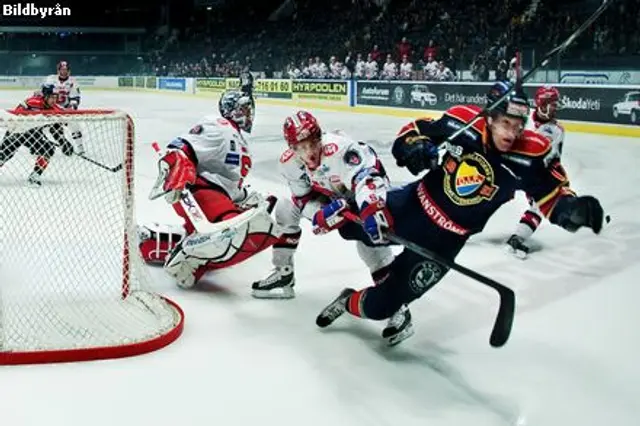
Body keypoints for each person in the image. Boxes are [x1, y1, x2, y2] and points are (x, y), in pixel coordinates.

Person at [315, 81, 604, 342]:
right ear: (489, 116)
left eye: (518, 125)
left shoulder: (531, 154)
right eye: (505, 122)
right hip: (413, 205)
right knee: (347, 225)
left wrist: (572, 210)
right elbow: (410, 134)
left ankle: (349, 299)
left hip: (446, 241)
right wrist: (416, 149)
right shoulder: (462, 120)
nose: (511, 133)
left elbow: (553, 194)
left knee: (380, 307)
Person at [251, 110, 414, 346]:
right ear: (292, 147)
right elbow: (303, 198)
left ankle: (397, 306)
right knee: (286, 207)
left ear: (320, 137)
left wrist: (368, 208)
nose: (309, 152)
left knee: (370, 246)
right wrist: (319, 216)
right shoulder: (289, 163)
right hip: (333, 199)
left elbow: (368, 178)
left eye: (312, 143)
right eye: (300, 147)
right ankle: (283, 274)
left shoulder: (339, 149)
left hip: (367, 196)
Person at [138, 90, 280, 289]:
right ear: (232, 110)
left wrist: (246, 198)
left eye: (249, 110)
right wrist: (177, 164)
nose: (249, 114)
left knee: (234, 233)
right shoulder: (218, 125)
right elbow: (182, 147)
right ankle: (186, 258)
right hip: (198, 193)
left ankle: (151, 241)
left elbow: (228, 181)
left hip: (217, 196)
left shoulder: (238, 138)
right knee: (233, 233)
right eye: (244, 109)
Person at [506, 85, 565, 258]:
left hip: (534, 172)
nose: (556, 107)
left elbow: (552, 159)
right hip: (511, 166)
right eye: (553, 104)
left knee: (539, 205)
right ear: (543, 105)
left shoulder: (556, 130)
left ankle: (517, 238)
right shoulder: (525, 118)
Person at [0, 83, 75, 186]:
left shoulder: (55, 110)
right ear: (45, 96)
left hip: (34, 135)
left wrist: (63, 142)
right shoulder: (31, 102)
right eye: (51, 97)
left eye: (55, 97)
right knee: (4, 154)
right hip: (17, 131)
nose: (53, 100)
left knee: (48, 149)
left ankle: (35, 176)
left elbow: (55, 129)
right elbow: (16, 117)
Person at [44, 60, 84, 154]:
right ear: (58, 70)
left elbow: (75, 97)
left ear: (69, 71)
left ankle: (80, 147)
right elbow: (45, 93)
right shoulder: (51, 79)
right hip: (51, 108)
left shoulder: (73, 82)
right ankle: (36, 147)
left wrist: (72, 107)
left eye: (66, 70)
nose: (64, 72)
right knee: (41, 126)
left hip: (65, 108)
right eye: (62, 70)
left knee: (74, 125)